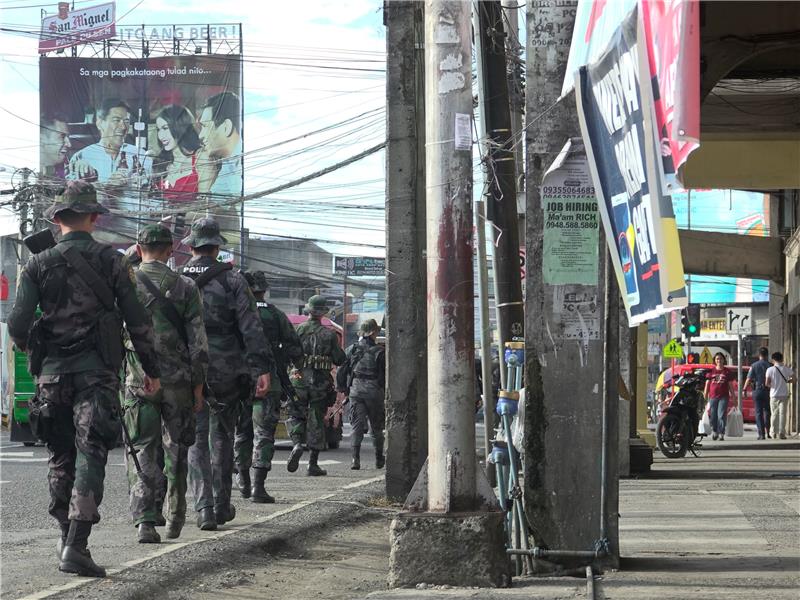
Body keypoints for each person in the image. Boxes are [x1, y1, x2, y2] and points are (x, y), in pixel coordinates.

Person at [7, 180, 161, 577]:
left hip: (52, 378)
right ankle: (77, 544)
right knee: (91, 452)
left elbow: (19, 324)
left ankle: (64, 536)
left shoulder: (37, 264)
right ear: (94, 218)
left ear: (57, 221)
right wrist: (152, 370)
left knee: (60, 456)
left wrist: (37, 349)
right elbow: (138, 322)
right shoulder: (113, 262)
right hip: (97, 375)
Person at [181, 218, 272, 530]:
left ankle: (203, 507)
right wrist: (260, 369)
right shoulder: (233, 280)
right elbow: (251, 327)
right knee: (222, 436)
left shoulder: (178, 280)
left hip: (188, 368)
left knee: (195, 439)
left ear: (191, 246)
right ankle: (221, 505)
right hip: (227, 370)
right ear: (217, 246)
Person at [123, 224, 209, 543]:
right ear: (171, 249)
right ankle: (176, 515)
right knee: (177, 449)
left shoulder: (126, 282)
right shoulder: (186, 286)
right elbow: (198, 343)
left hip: (137, 379)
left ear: (138, 247)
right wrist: (199, 388)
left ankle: (145, 520)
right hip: (179, 382)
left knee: (142, 447)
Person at [234, 271, 303, 502]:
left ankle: (242, 481)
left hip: (238, 380)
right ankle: (258, 488)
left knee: (240, 432)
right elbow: (295, 347)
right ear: (264, 289)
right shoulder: (275, 314)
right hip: (269, 382)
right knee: (263, 434)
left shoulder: (236, 311)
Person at [287, 295, 346, 476]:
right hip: (319, 384)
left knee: (296, 415)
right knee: (316, 420)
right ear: (322, 313)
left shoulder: (299, 330)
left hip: (298, 380)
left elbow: (290, 353)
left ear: (309, 311)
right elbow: (340, 358)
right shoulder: (329, 335)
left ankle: (297, 444)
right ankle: (312, 464)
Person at [67, 98, 152, 186]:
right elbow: (71, 194)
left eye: (126, 121)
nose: (123, 127)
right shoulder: (82, 157)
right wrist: (107, 186)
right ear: (100, 123)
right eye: (116, 120)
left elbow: (148, 192)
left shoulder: (141, 156)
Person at [342, 319, 385, 470]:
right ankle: (379, 458)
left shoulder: (352, 349)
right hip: (374, 393)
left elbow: (342, 370)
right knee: (376, 428)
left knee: (356, 426)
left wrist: (344, 390)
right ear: (373, 332)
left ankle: (355, 459)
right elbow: (384, 376)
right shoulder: (380, 351)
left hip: (356, 392)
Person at [196, 92, 241, 198]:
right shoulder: (228, 163)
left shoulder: (242, 165)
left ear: (226, 127)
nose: (200, 135)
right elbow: (214, 205)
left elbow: (216, 209)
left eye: (205, 126)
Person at [153, 105, 202, 202]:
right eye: (159, 130)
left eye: (165, 128)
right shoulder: (161, 163)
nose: (161, 136)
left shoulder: (200, 159)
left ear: (180, 127)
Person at [703, 352, 735, 441]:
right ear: (715, 360)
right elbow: (707, 384)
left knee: (721, 415)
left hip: (723, 396)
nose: (719, 360)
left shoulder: (727, 371)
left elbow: (730, 386)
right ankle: (715, 431)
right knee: (713, 415)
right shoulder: (711, 371)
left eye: (720, 359)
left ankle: (721, 432)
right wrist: (704, 397)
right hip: (713, 396)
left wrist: (734, 397)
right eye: (717, 359)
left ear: (723, 360)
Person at [765, 352, 795, 440]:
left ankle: (773, 433)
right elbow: (795, 379)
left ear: (773, 360)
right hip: (784, 395)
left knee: (774, 414)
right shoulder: (787, 369)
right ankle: (782, 433)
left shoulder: (770, 370)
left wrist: (774, 386)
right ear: (782, 359)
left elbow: (767, 383)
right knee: (783, 414)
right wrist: (788, 381)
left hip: (774, 395)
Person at [745, 347, 772, 439]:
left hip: (757, 390)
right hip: (768, 391)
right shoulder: (771, 365)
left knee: (758, 412)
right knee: (767, 412)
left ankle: (761, 434)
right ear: (767, 355)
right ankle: (768, 432)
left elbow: (749, 378)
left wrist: (744, 389)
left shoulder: (754, 365)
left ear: (759, 355)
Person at [40, 114, 72, 180]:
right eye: (62, 137)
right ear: (41, 139)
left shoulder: (66, 171)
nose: (69, 144)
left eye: (67, 137)